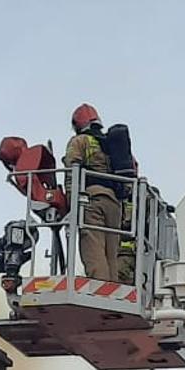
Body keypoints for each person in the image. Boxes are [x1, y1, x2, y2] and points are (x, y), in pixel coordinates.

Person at [62, 103, 124, 283]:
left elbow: (72, 170)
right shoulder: (110, 144)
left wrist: (71, 202)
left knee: (93, 248)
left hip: (92, 198)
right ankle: (113, 288)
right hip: (114, 202)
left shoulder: (79, 141)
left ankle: (100, 289)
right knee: (111, 252)